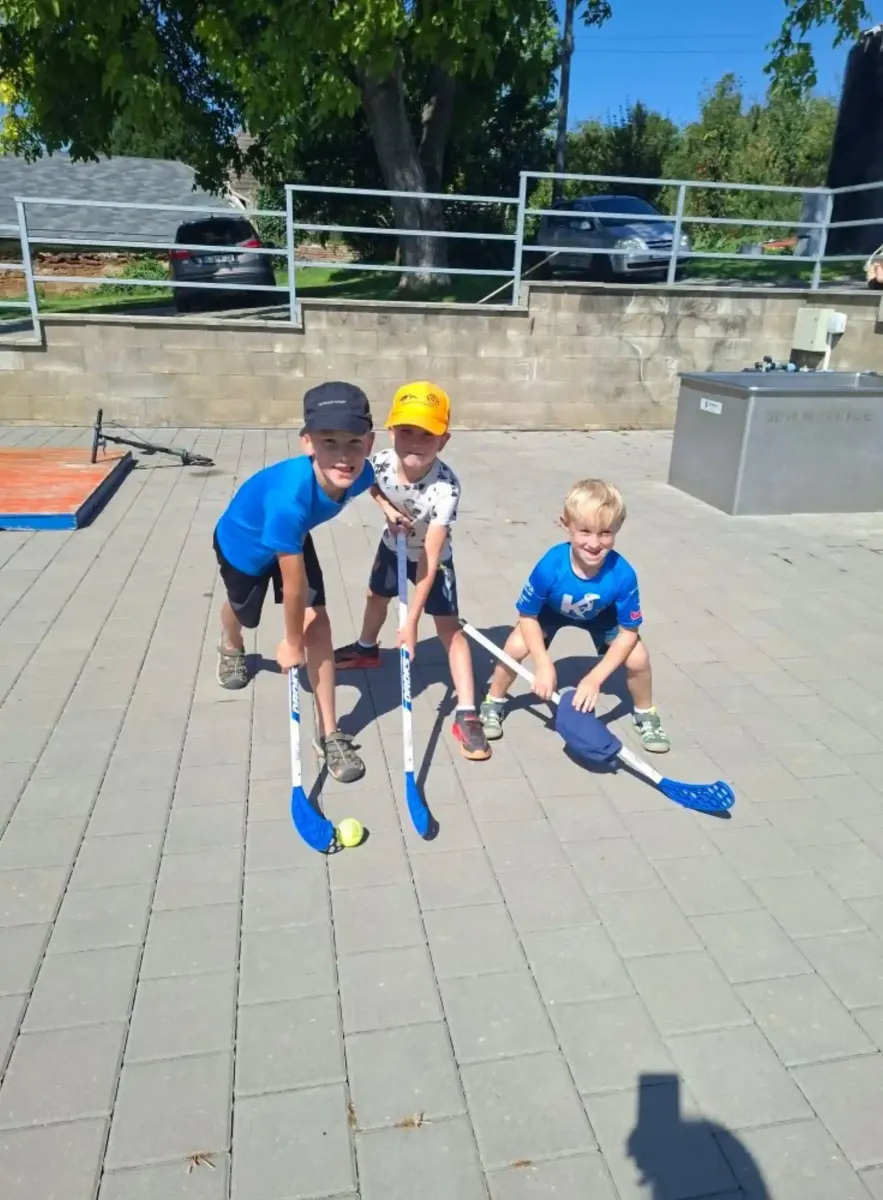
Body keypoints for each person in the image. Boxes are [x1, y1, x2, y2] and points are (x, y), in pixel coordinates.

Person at [212, 380, 375, 783]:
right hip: (245, 544)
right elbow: (293, 586)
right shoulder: (288, 501)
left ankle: (329, 731)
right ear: (307, 442)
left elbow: (374, 484)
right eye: (329, 441)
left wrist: (389, 510)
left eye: (354, 442)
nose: (344, 456)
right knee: (242, 612)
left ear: (369, 444)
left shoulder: (362, 473)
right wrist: (291, 642)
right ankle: (231, 643)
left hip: (293, 539)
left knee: (317, 622)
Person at [334, 381, 491, 761]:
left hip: (431, 559)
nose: (415, 443)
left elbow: (430, 560)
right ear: (391, 432)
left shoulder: (446, 488)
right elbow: (367, 481)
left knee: (450, 630)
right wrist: (387, 509)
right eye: (406, 431)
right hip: (392, 547)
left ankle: (467, 712)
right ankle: (366, 649)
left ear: (444, 440)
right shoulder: (381, 461)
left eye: (427, 435)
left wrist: (411, 623)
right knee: (376, 595)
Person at [480, 478, 670, 753]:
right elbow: (527, 616)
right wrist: (544, 665)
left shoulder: (623, 574)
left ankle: (645, 713)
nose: (594, 543)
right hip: (551, 611)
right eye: (585, 531)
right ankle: (493, 701)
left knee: (639, 658)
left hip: (601, 615)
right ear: (565, 524)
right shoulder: (550, 565)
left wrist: (594, 679)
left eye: (605, 533)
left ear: (618, 528)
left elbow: (629, 633)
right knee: (515, 646)